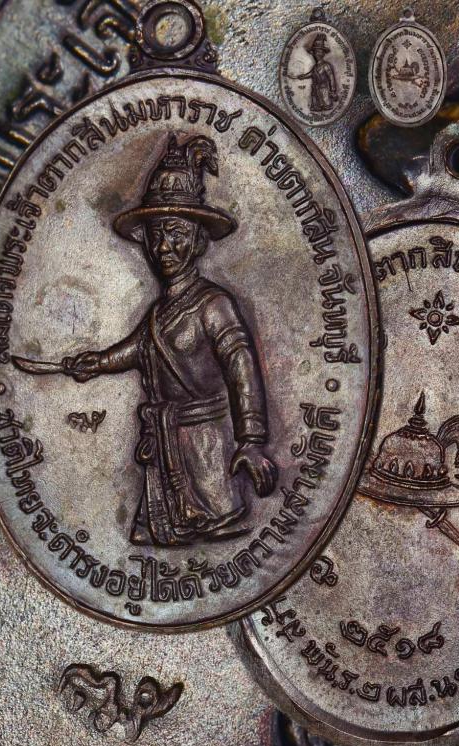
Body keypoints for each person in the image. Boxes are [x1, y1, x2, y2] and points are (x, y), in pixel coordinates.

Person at [63, 133, 277, 546]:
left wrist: (251, 440)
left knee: (217, 524)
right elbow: (138, 348)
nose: (164, 246)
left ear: (198, 241)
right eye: (156, 234)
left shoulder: (213, 304)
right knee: (163, 533)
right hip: (166, 439)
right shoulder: (159, 312)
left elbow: (243, 370)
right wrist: (99, 362)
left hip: (206, 441)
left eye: (176, 234)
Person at [296, 33, 338, 112]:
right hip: (316, 89)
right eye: (315, 51)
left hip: (324, 89)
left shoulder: (326, 66)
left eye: (319, 51)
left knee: (326, 106)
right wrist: (303, 76)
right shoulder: (315, 67)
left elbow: (331, 79)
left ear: (323, 53)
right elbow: (311, 74)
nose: (317, 54)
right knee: (316, 106)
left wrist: (333, 91)